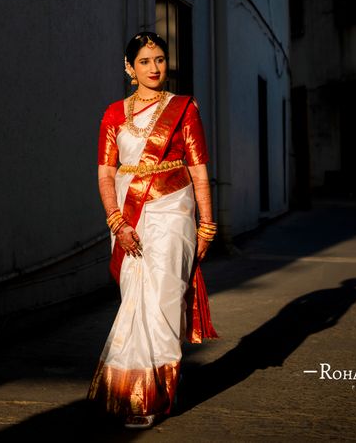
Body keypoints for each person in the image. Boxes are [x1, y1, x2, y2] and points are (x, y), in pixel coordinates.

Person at [87, 31, 218, 429]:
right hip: (129, 214)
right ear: (130, 67)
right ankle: (133, 388)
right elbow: (105, 173)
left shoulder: (184, 109)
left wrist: (207, 225)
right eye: (145, 61)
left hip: (172, 211)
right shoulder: (113, 114)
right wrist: (117, 220)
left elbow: (199, 171)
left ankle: (156, 392)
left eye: (159, 59)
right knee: (135, 299)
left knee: (163, 297)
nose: (154, 67)